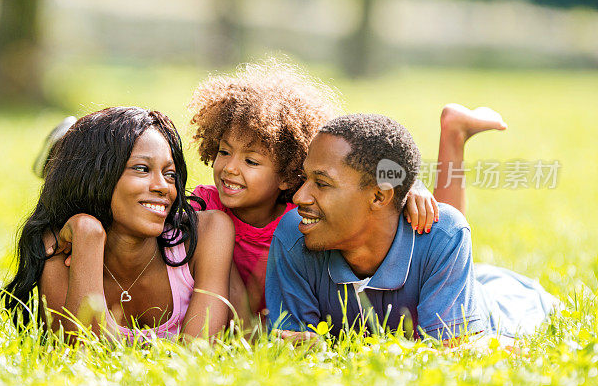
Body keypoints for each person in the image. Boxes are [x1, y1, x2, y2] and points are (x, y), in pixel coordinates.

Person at [265, 113, 558, 343]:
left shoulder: (444, 235)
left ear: (379, 195)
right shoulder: (295, 235)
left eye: (322, 183)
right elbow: (292, 342)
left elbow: (449, 353)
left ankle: (454, 134)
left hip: (502, 304)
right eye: (305, 178)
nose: (298, 197)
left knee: (441, 227)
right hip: (440, 272)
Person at [188, 60, 443, 323]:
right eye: (224, 152)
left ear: (287, 175)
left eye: (251, 161)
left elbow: (360, 160)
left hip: (286, 321)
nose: (229, 168)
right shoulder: (205, 207)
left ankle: (452, 135)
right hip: (237, 327)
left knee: (432, 225)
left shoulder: (304, 218)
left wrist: (411, 186)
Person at [0, 107, 235, 343]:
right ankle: (63, 151)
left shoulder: (208, 233)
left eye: (170, 174)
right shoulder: (59, 243)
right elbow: (76, 356)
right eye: (142, 169)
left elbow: (198, 354)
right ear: (97, 176)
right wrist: (87, 234)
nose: (163, 186)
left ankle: (64, 149)